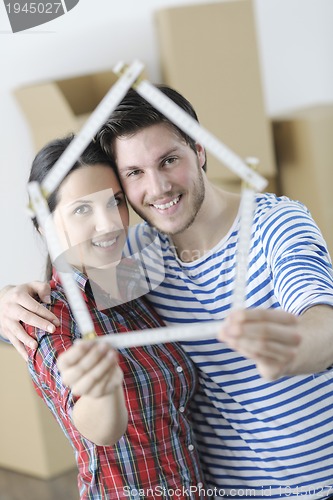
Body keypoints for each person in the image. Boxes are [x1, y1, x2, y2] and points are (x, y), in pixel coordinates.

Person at [1, 86, 333, 499]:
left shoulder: (275, 226)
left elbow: (323, 321)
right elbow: (67, 300)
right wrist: (8, 299)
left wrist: (296, 345)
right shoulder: (142, 260)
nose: (157, 188)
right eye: (135, 174)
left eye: (169, 161)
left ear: (200, 151)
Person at [11, 135, 206, 499]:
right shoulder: (49, 320)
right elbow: (98, 428)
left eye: (115, 201)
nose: (110, 224)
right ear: (45, 226)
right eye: (82, 210)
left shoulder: (124, 280)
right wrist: (102, 391)